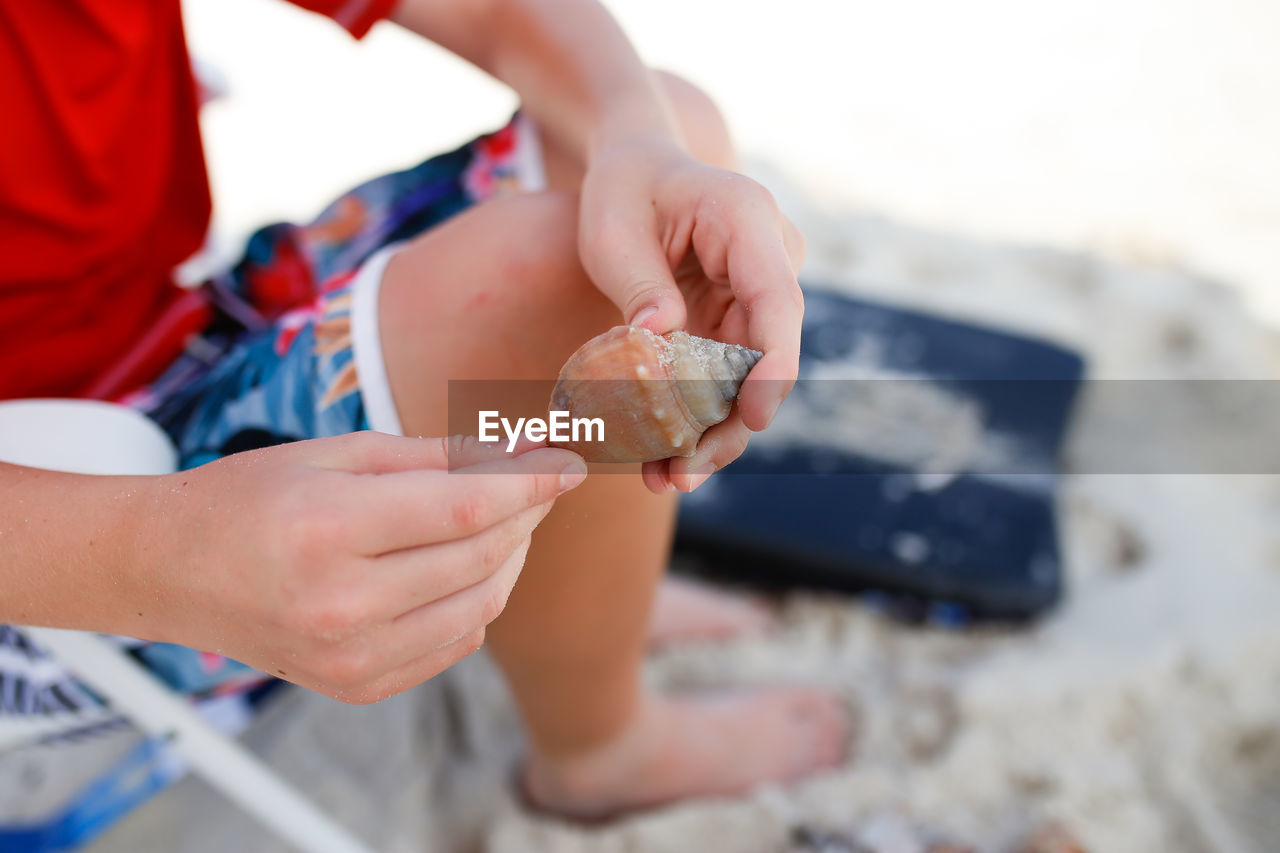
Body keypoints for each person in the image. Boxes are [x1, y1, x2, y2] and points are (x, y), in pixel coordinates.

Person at [0, 0, 847, 818]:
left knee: (662, 137)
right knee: (549, 281)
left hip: (155, 327)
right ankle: (600, 752)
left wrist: (640, 143)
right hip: (48, 535)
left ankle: (581, 592)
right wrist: (156, 550)